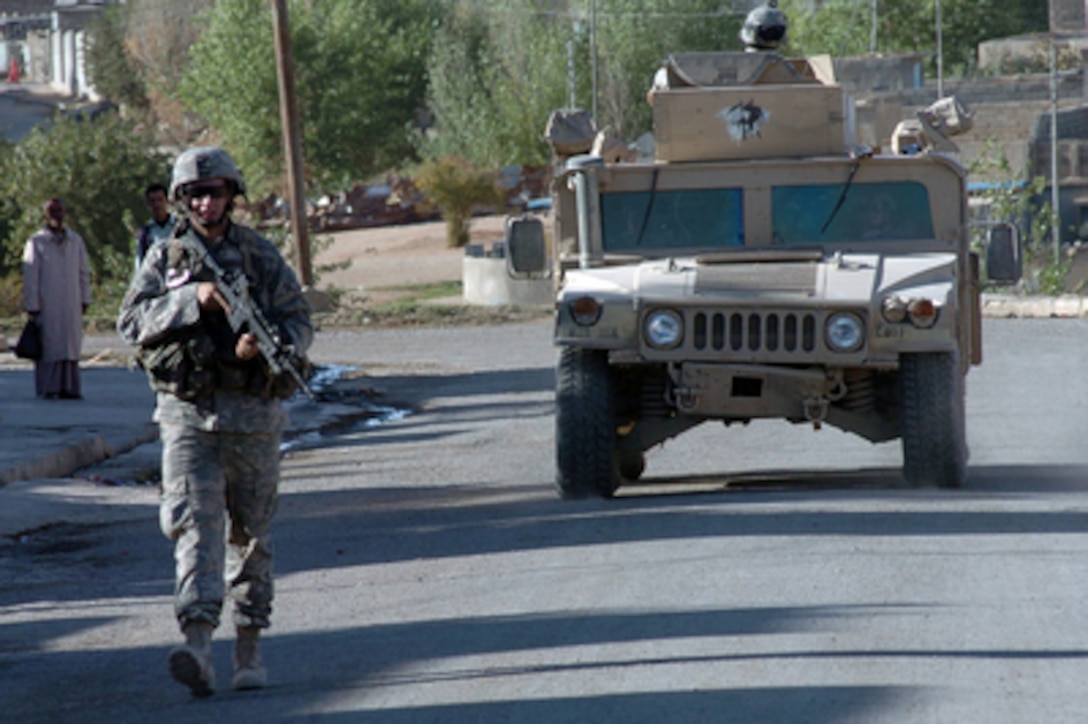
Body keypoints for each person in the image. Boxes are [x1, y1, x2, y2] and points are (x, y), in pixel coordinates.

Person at [117, 147, 313, 697]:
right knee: (193, 530)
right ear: (182, 200)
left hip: (252, 419)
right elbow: (129, 321)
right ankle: (199, 647)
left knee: (250, 536)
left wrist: (270, 346)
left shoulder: (258, 254)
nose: (207, 201)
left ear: (233, 195)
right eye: (196, 194)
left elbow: (298, 318)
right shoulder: (164, 259)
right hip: (187, 418)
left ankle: (248, 647)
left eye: (216, 191)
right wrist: (190, 300)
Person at [22, 198, 91, 399]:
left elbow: (83, 272)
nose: (57, 214)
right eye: (52, 211)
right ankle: (49, 387)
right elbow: (30, 275)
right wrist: (32, 303)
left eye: (60, 210)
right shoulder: (37, 242)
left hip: (71, 301)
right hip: (47, 303)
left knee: (70, 345)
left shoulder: (75, 240)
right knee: (49, 346)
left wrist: (85, 298)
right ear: (46, 214)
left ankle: (69, 387)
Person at [134, 183, 175, 271]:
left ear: (167, 200)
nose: (157, 204)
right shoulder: (144, 234)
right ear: (148, 203)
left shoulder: (181, 226)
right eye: (152, 201)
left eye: (160, 199)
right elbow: (139, 265)